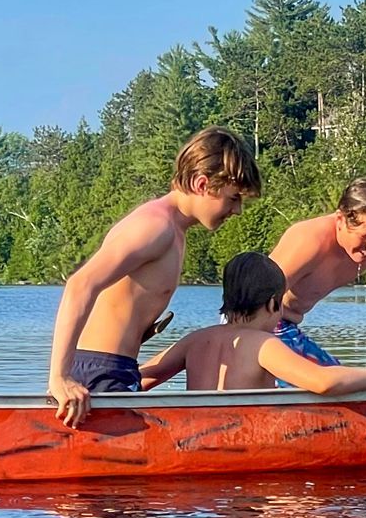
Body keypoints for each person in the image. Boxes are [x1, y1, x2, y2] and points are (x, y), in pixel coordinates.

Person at [46, 127, 260, 426]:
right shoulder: (154, 226)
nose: (236, 210)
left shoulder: (175, 231)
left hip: (117, 367)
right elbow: (80, 285)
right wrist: (59, 377)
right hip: (99, 371)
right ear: (202, 184)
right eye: (233, 198)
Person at [141, 252, 366, 395]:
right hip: (242, 446)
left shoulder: (195, 339)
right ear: (272, 304)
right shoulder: (264, 345)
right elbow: (324, 382)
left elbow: (142, 379)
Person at [267, 178, 366, 379]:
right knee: (334, 383)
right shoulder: (310, 240)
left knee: (347, 384)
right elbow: (256, 297)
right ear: (341, 220)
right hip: (256, 324)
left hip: (289, 328)